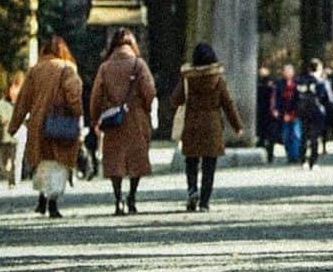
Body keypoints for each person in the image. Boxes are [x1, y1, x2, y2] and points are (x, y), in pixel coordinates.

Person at [7, 35, 83, 219]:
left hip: (38, 125)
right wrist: (77, 113)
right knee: (59, 163)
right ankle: (53, 202)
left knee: (43, 162)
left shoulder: (35, 70)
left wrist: (13, 126)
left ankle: (42, 196)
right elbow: (74, 95)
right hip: (61, 123)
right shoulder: (68, 69)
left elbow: (23, 101)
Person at [90, 28, 155, 215]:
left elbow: (95, 96)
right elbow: (149, 91)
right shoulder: (139, 65)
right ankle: (132, 197)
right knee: (136, 160)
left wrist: (96, 119)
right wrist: (147, 109)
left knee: (115, 161)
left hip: (113, 120)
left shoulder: (105, 67)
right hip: (136, 117)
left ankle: (118, 199)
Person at [171, 41, 243, 211]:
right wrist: (237, 126)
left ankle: (192, 190)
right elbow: (228, 104)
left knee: (191, 162)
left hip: (192, 125)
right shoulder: (218, 79)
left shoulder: (187, 78)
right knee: (209, 166)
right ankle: (204, 202)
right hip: (212, 126)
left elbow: (176, 99)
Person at [0, 77, 21, 188]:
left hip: (16, 137)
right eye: (12, 88)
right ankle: (9, 177)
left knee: (15, 161)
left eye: (16, 88)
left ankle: (13, 182)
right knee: (3, 162)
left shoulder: (21, 103)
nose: (13, 91)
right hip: (3, 137)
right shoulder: (2, 103)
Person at [272, 63, 303, 165]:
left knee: (296, 135)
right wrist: (275, 110)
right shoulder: (280, 84)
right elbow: (275, 97)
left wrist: (294, 112)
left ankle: (295, 156)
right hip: (283, 112)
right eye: (286, 71)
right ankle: (290, 155)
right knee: (285, 136)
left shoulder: (298, 83)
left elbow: (299, 99)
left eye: (289, 71)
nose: (288, 73)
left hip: (295, 113)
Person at [256, 65, 277, 163]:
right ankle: (270, 155)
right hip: (269, 114)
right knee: (270, 136)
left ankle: (264, 154)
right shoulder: (271, 88)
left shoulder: (258, 88)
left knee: (262, 136)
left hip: (262, 114)